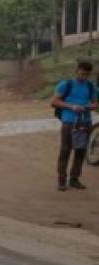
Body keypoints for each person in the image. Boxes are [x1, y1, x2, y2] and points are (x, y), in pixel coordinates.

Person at [51, 61, 97, 191]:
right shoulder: (66, 84)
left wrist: (91, 106)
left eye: (87, 75)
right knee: (65, 150)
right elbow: (54, 101)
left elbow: (95, 103)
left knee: (81, 151)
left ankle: (74, 179)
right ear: (76, 70)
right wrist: (71, 106)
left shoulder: (90, 86)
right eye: (82, 74)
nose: (84, 77)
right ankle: (61, 180)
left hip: (85, 122)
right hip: (69, 122)